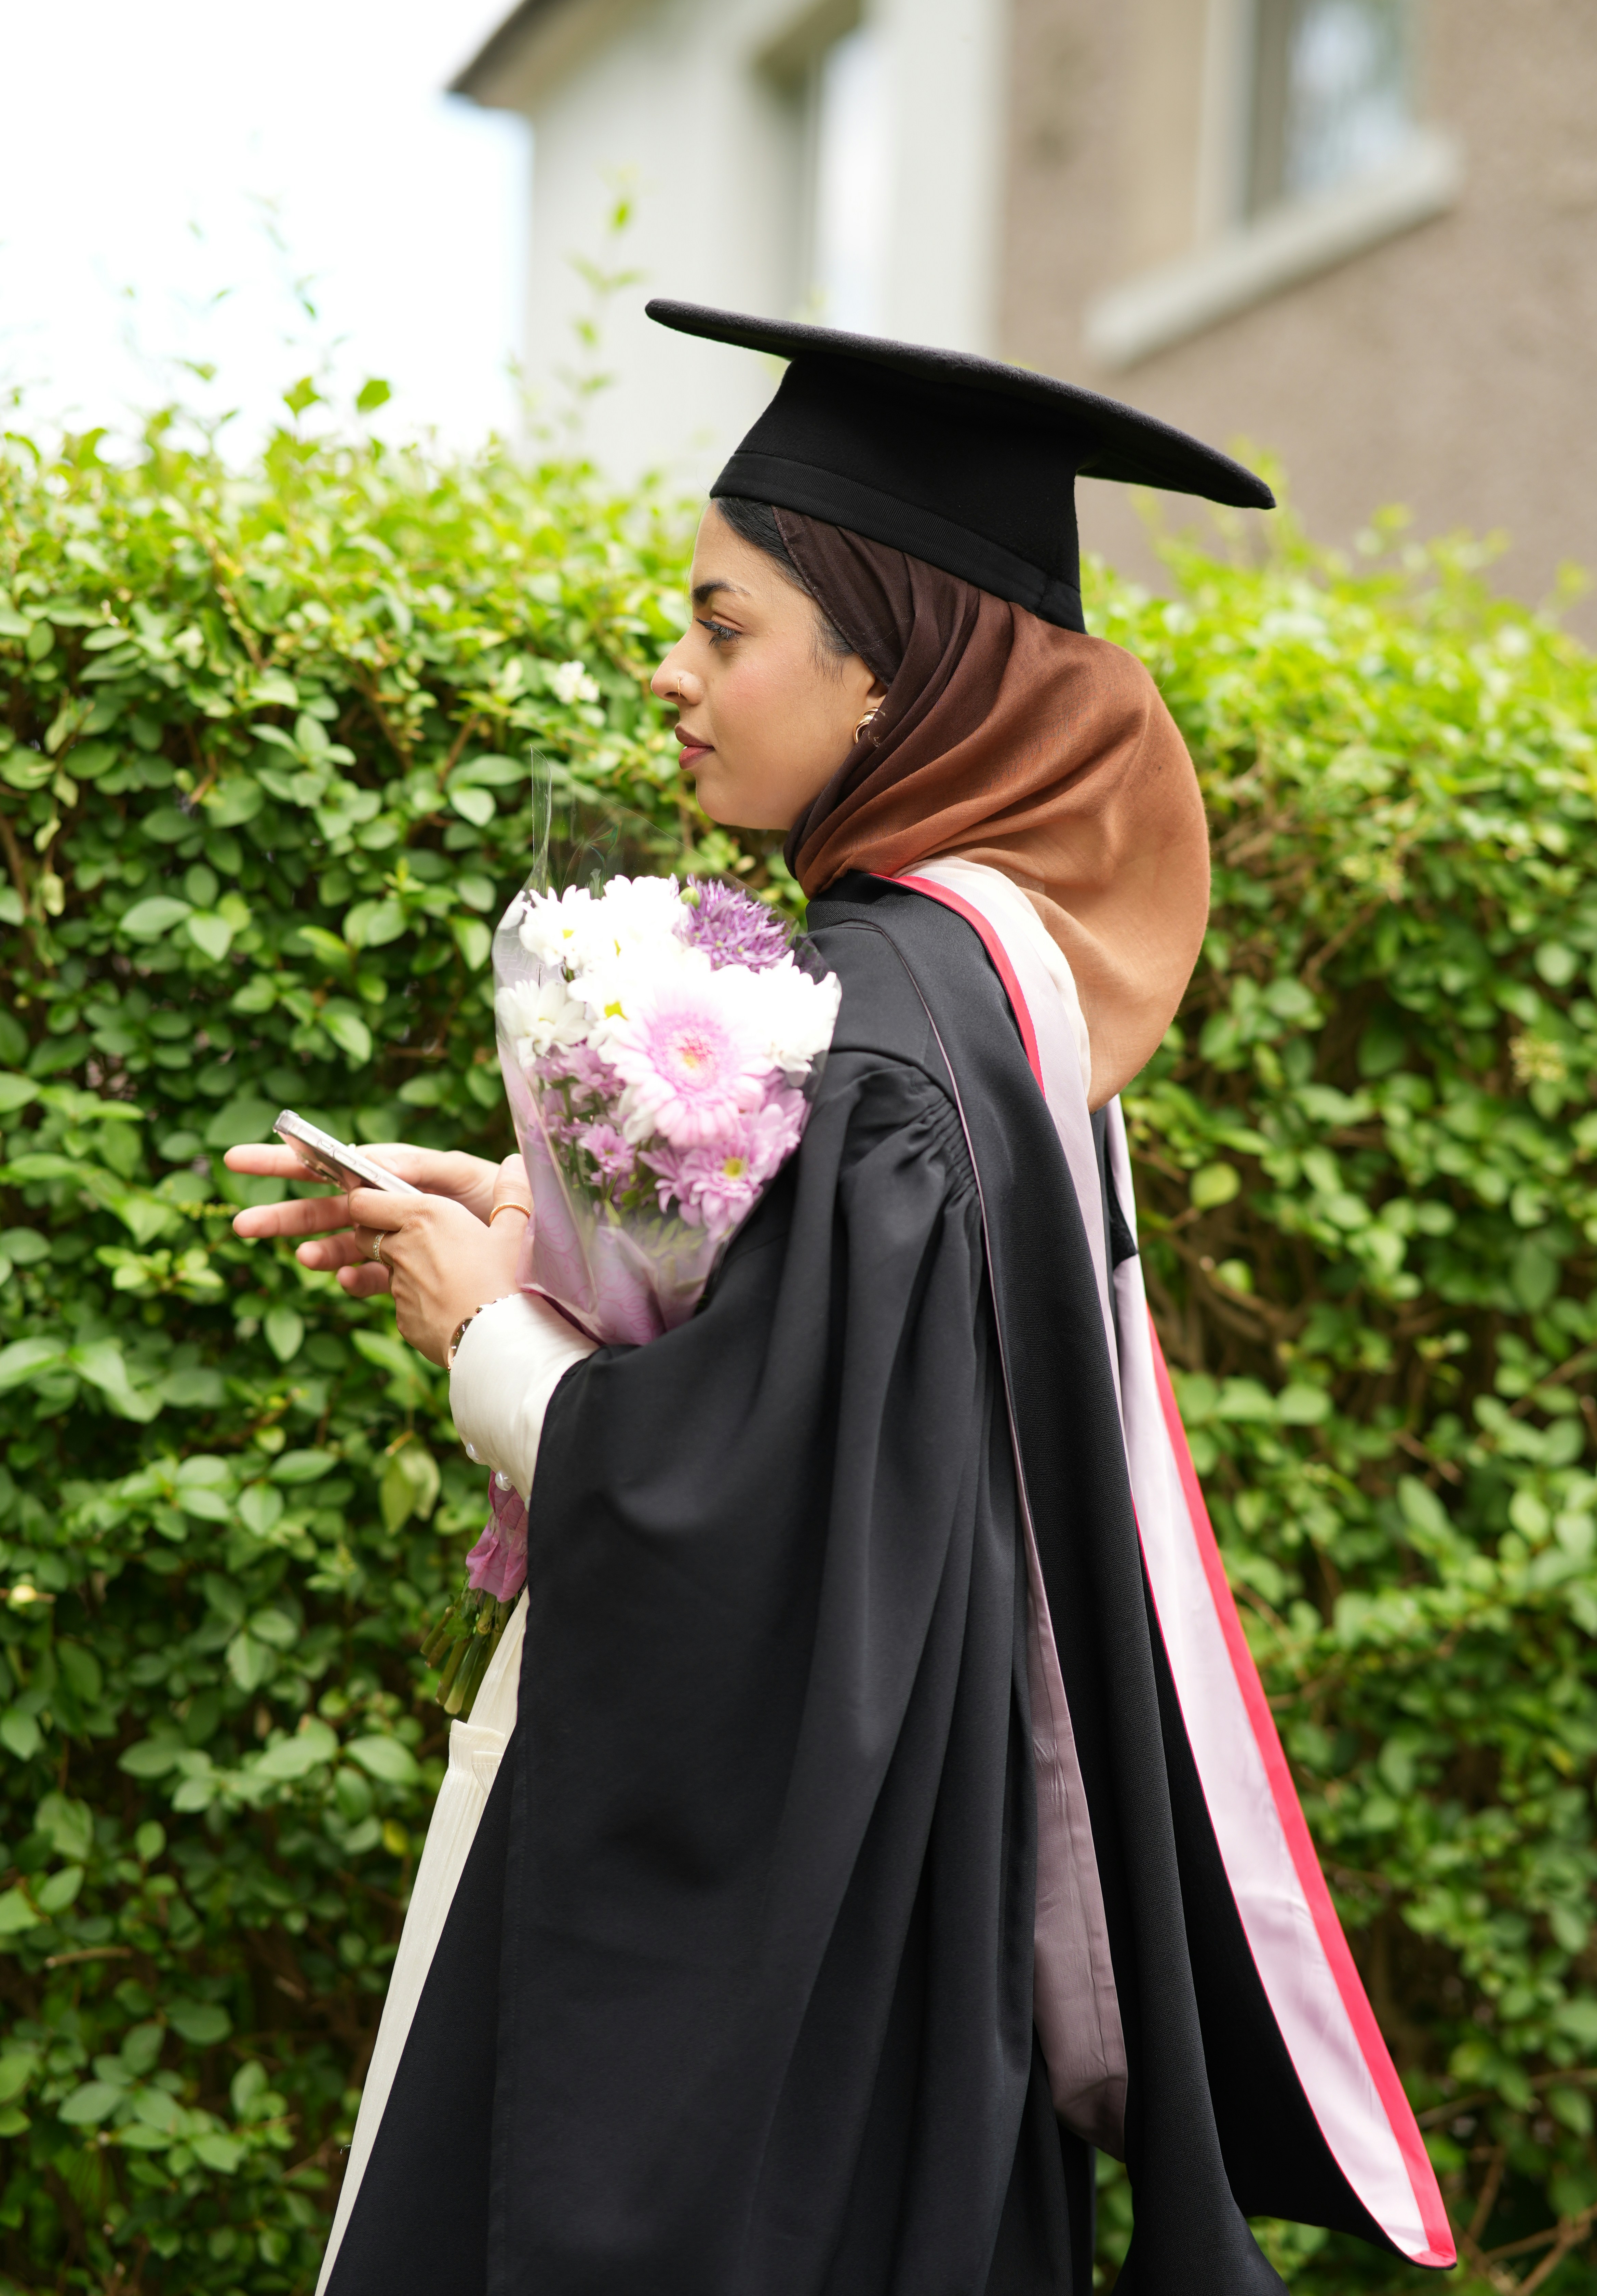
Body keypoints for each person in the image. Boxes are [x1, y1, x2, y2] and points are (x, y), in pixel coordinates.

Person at [226, 305, 1453, 2296]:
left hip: (829, 1972)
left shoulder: (883, 1024)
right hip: (922, 1895)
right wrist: (550, 1240)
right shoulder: (979, 986)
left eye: (725, 627)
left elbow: (761, 1511)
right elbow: (866, 1404)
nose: (673, 673)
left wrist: (485, 1331)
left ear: (890, 670)